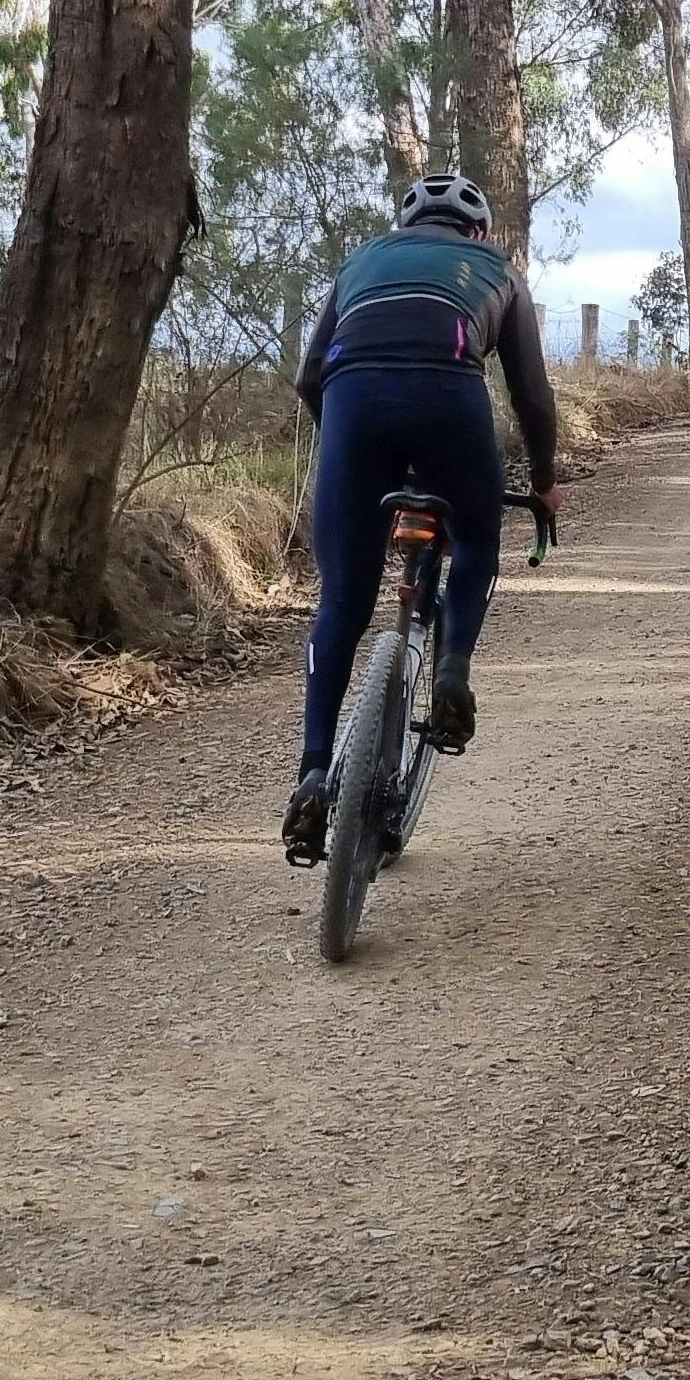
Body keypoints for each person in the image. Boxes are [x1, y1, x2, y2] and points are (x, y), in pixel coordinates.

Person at [282, 170, 562, 863]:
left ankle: (314, 774)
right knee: (473, 542)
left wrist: (354, 449)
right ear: (477, 232)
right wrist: (546, 483)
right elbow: (531, 395)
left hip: (352, 408)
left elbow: (311, 374)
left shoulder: (360, 262)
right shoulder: (499, 269)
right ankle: (452, 673)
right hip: (450, 402)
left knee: (341, 603)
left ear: (406, 228)